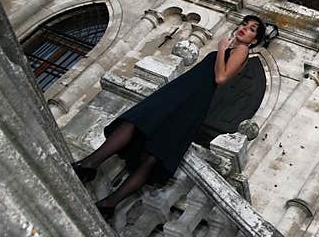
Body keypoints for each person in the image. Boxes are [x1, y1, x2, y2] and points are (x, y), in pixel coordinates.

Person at [71, 15, 267, 218]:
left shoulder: (241, 50)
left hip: (191, 99)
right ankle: (95, 175)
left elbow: (221, 77)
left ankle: (97, 180)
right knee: (139, 126)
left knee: (151, 148)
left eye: (252, 29)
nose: (245, 28)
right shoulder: (232, 48)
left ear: (254, 40)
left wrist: (220, 49)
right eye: (245, 24)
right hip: (183, 92)